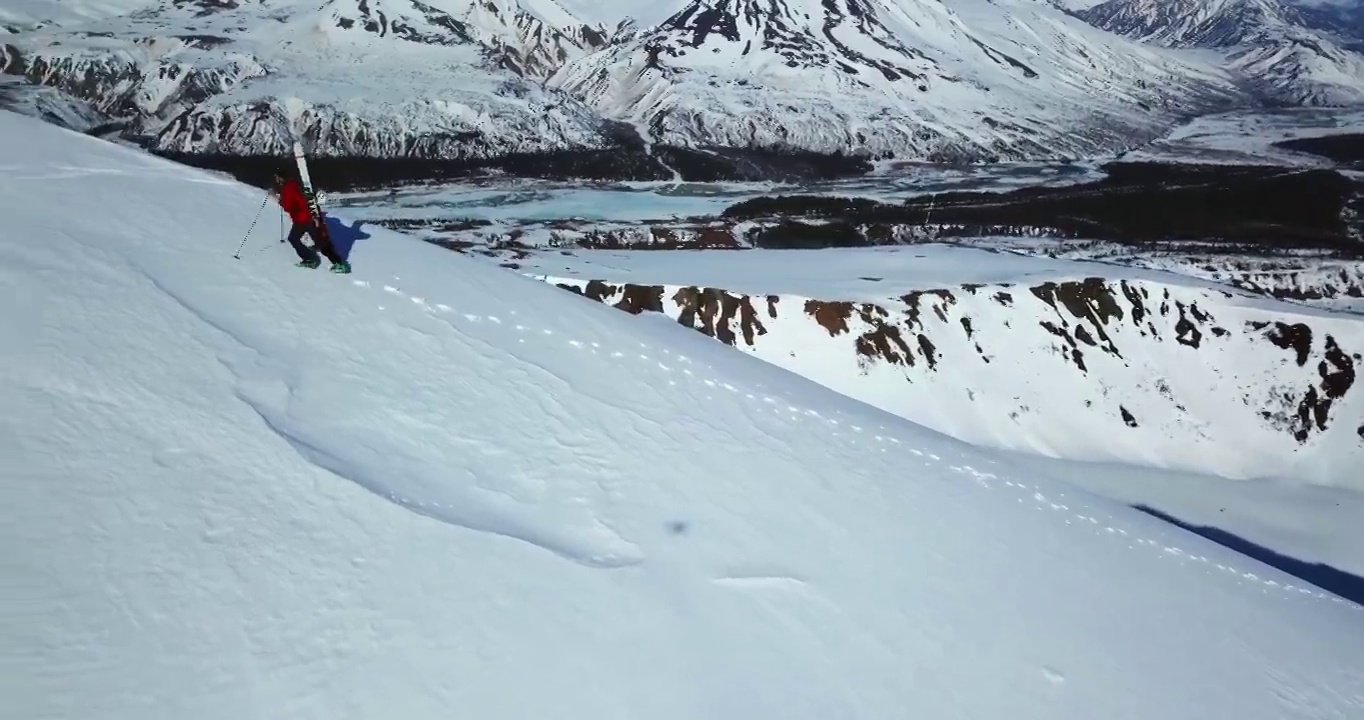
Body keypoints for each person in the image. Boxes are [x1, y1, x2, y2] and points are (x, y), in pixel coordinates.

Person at [272, 168, 349, 273]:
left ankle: (321, 261)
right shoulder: (293, 185)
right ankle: (328, 261)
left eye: (277, 178)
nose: (276, 180)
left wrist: (281, 201)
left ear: (281, 178)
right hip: (307, 217)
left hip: (302, 219)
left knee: (299, 240)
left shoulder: (288, 188)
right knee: (318, 241)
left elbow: (288, 206)